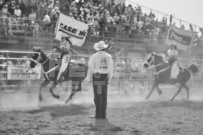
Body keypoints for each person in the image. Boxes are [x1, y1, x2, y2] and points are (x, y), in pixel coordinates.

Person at [87, 41, 114, 119]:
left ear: (98, 49)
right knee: (104, 96)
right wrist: (109, 78)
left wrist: (89, 77)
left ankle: (98, 114)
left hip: (97, 77)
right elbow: (111, 68)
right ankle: (103, 114)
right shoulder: (109, 56)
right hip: (104, 77)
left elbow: (91, 67)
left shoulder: (94, 56)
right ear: (105, 48)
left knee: (98, 96)